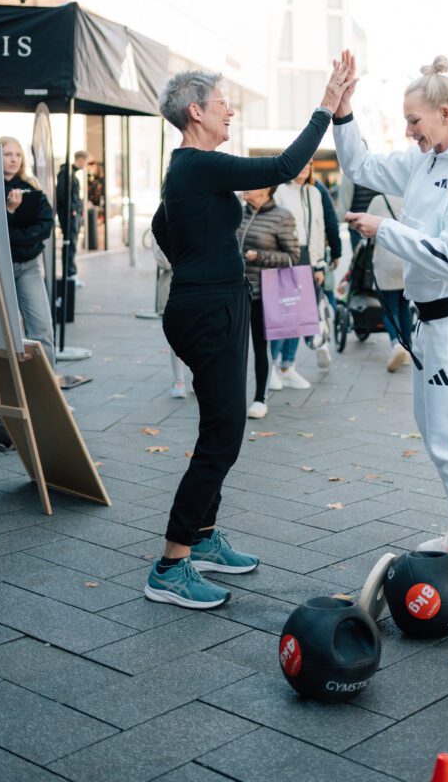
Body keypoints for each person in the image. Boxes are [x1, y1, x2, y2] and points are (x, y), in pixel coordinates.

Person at [145, 59, 354, 610]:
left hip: (217, 301)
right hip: (208, 308)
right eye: (222, 103)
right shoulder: (197, 164)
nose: (230, 109)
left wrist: (197, 266)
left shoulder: (191, 170)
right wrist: (326, 107)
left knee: (223, 427)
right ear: (197, 112)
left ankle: (205, 537)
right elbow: (287, 163)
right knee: (223, 436)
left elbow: (160, 226)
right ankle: (171, 565)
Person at [335, 50, 448, 602]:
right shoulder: (426, 161)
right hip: (430, 324)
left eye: (414, 120)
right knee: (439, 437)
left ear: (445, 112)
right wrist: (343, 113)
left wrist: (385, 230)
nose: (408, 131)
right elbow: (360, 166)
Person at [0, 137, 57, 451]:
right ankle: (9, 406)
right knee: (7, 335)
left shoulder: (33, 189)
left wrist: (17, 234)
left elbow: (46, 225)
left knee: (42, 329)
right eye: (6, 154)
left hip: (29, 266)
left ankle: (50, 400)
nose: (12, 160)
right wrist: (10, 211)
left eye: (16, 154)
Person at [238, 186, 300, 418]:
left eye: (251, 184)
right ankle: (231, 397)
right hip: (234, 291)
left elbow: (292, 256)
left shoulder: (282, 216)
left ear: (266, 190)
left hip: (262, 293)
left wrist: (260, 256)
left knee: (259, 346)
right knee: (232, 347)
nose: (245, 187)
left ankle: (260, 398)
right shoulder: (238, 212)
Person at [272, 160, 330, 386]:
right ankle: (272, 366)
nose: (305, 166)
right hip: (287, 256)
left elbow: (320, 229)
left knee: (301, 315)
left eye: (309, 163)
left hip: (308, 256)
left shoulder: (315, 193)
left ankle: (288, 365)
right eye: (301, 162)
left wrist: (319, 264)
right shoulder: (281, 192)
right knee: (284, 314)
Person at [366, 193, 412, 372]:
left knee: (389, 308)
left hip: (386, 259)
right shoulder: (409, 196)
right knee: (404, 307)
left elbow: (366, 231)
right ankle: (407, 351)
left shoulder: (379, 200)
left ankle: (396, 345)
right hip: (407, 259)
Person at [151, 235, 191, 398]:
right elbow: (164, 262)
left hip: (197, 287)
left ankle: (198, 376)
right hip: (170, 290)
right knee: (177, 338)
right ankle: (179, 380)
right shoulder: (160, 224)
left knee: (199, 336)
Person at [56, 150, 89, 286]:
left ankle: (71, 274)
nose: (85, 165)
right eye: (85, 162)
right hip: (69, 216)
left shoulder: (70, 173)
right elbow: (63, 195)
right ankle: (70, 274)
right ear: (80, 159)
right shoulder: (66, 173)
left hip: (72, 215)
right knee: (70, 245)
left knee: (71, 245)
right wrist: (73, 210)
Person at [314, 173, 341, 312]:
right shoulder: (320, 188)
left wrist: (336, 252)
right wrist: (336, 254)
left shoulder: (318, 189)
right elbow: (331, 222)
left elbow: (331, 223)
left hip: (311, 253)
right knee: (324, 289)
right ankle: (333, 317)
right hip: (317, 252)